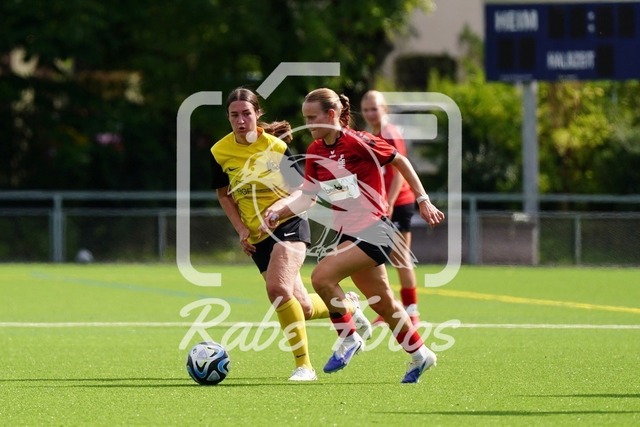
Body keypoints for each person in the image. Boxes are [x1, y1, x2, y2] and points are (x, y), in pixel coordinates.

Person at [260, 88, 445, 383]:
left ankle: (348, 337)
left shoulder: (359, 141)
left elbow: (400, 160)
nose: (308, 124)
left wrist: (423, 200)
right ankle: (421, 355)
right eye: (305, 118)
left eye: (313, 117)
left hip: (376, 230)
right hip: (349, 234)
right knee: (382, 302)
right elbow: (307, 197)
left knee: (321, 277)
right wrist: (278, 213)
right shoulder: (316, 151)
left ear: (331, 114)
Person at [210, 87, 371, 382]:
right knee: (303, 306)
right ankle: (349, 305)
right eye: (234, 115)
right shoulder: (219, 152)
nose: (241, 120)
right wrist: (242, 229)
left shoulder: (275, 147)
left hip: (289, 224)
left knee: (277, 290)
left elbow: (302, 190)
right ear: (228, 117)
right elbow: (224, 195)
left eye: (246, 113)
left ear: (257, 114)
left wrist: (278, 209)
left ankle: (304, 367)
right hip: (257, 238)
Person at [361, 90, 420, 326]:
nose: (370, 113)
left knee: (401, 256)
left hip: (398, 202)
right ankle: (390, 309)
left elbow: (399, 172)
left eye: (374, 109)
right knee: (377, 258)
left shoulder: (390, 133)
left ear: (384, 109)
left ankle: (412, 312)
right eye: (366, 110)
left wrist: (390, 203)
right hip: (381, 205)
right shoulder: (371, 134)